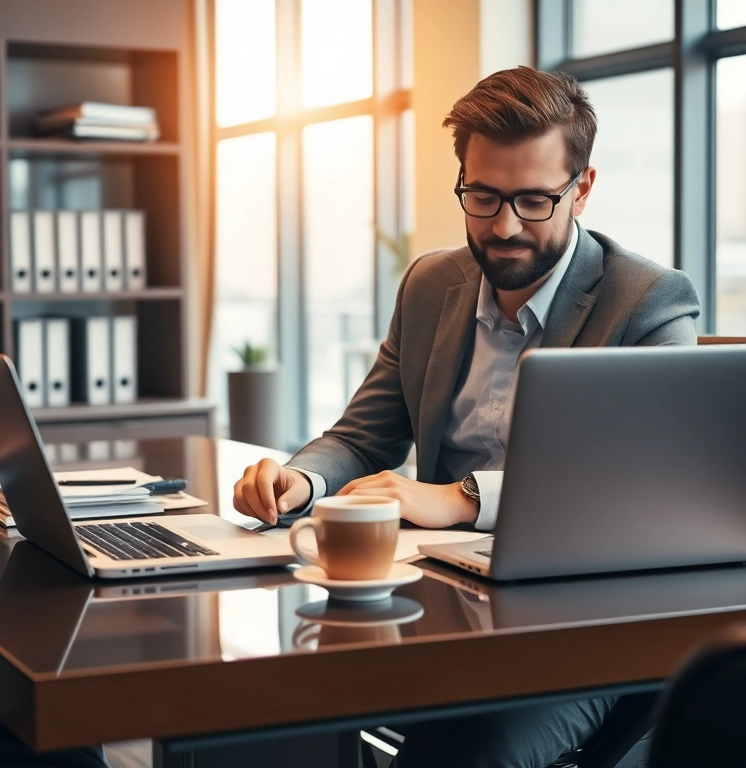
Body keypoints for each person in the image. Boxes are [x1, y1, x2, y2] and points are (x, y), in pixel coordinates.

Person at [233, 66, 701, 767]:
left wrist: (458, 498)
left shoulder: (646, 303)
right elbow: (363, 437)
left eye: (534, 201)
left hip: (587, 628)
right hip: (451, 607)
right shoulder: (431, 285)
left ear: (583, 189)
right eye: (481, 196)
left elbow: (651, 487)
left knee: (458, 750)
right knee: (263, 702)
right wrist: (300, 482)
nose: (504, 226)